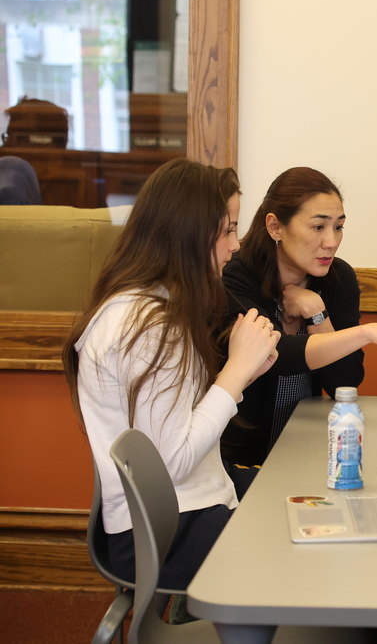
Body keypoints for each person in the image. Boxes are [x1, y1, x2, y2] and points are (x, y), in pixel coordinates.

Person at [63, 158, 280, 590]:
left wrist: (242, 377)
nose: (235, 246)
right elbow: (173, 463)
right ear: (191, 235)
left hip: (186, 503)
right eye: (229, 230)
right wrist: (233, 375)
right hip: (164, 530)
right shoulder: (146, 325)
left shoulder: (151, 305)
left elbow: (171, 424)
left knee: (297, 498)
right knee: (316, 554)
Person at [219, 167, 377, 486]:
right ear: (275, 227)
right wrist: (365, 333)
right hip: (237, 460)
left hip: (303, 450)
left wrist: (316, 313)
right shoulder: (236, 274)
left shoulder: (338, 280)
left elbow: (346, 379)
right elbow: (271, 356)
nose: (331, 241)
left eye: (338, 227)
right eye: (318, 226)